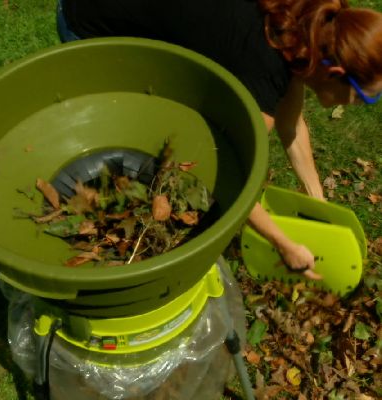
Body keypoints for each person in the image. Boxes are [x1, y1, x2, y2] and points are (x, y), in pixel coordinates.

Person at [55, 0, 382, 280]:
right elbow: (225, 175)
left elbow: (290, 123)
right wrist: (284, 245)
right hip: (90, 20)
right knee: (134, 143)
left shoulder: (309, 24)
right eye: (367, 98)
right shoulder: (266, 70)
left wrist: (318, 205)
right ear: (336, 74)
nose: (363, 106)